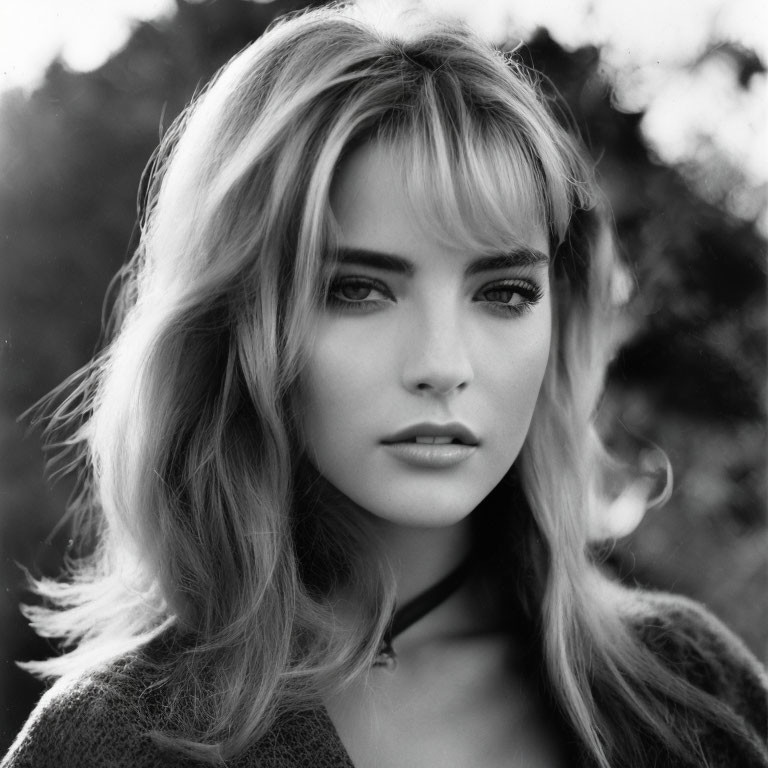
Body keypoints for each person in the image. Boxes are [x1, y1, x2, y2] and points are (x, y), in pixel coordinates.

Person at [2, 2, 767, 767]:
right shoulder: (109, 742)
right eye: (358, 289)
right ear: (234, 321)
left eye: (503, 292)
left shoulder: (695, 696)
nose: (443, 364)